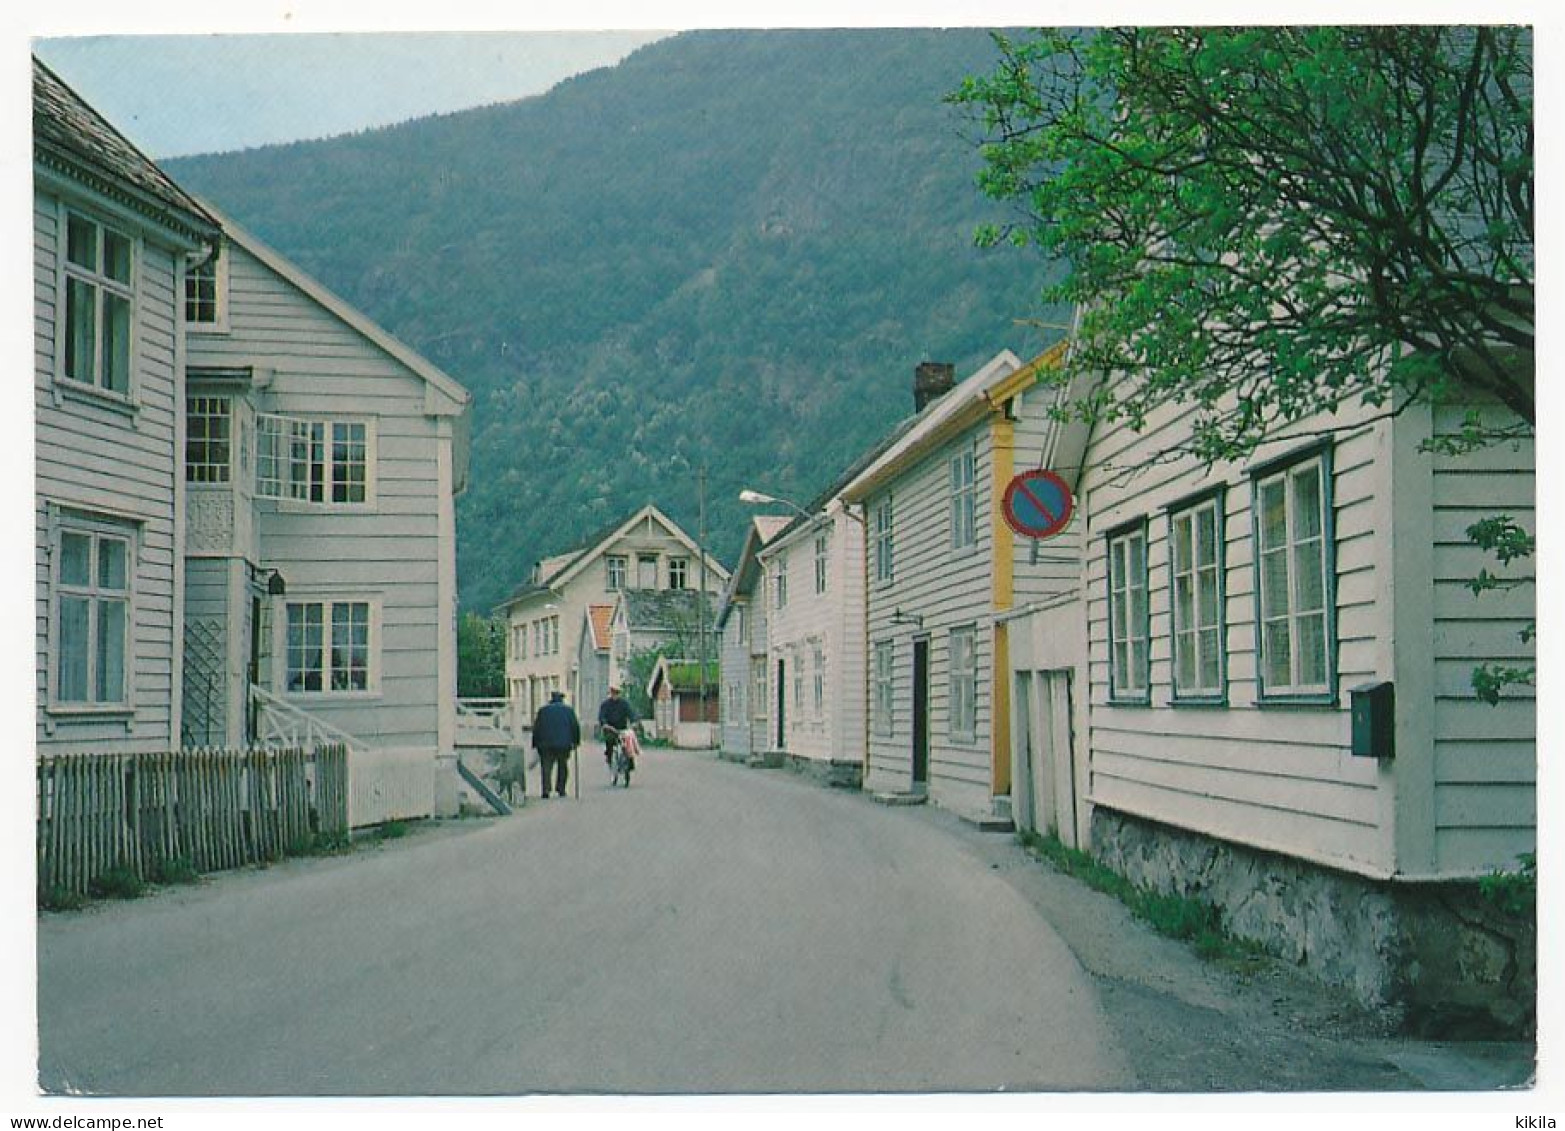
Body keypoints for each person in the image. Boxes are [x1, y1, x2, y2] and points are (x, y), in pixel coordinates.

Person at [530, 690, 580, 799]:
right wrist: (576, 742)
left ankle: (546, 790)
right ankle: (561, 789)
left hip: (545, 744)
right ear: (562, 699)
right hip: (564, 744)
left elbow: (536, 728)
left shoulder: (543, 711)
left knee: (546, 767)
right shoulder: (569, 711)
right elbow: (575, 726)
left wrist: (534, 743)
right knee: (562, 765)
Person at [598, 684, 636, 768]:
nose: (615, 695)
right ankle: (609, 756)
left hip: (622, 728)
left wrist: (633, 722)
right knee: (610, 740)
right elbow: (602, 716)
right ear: (610, 693)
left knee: (628, 741)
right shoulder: (605, 704)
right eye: (613, 693)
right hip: (610, 728)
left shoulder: (624, 704)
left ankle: (630, 761)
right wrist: (604, 724)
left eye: (617, 693)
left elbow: (630, 713)